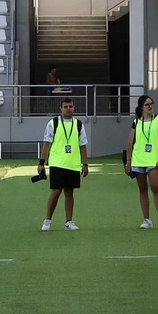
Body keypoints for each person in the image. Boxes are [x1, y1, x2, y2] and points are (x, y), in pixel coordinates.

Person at [38, 97, 89, 231]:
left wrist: (85, 164)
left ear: (74, 108)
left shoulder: (78, 124)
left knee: (69, 193)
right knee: (56, 191)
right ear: (60, 108)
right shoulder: (53, 123)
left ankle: (69, 222)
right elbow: (47, 144)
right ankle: (47, 220)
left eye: (70, 106)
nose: (68, 109)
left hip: (73, 164)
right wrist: (41, 163)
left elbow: (83, 145)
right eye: (65, 106)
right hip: (57, 163)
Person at [124, 94, 158, 229]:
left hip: (153, 160)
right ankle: (147, 220)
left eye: (151, 104)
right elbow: (130, 142)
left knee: (155, 187)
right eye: (147, 104)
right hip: (138, 160)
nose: (150, 106)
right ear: (141, 107)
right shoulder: (136, 122)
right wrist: (128, 162)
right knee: (142, 189)